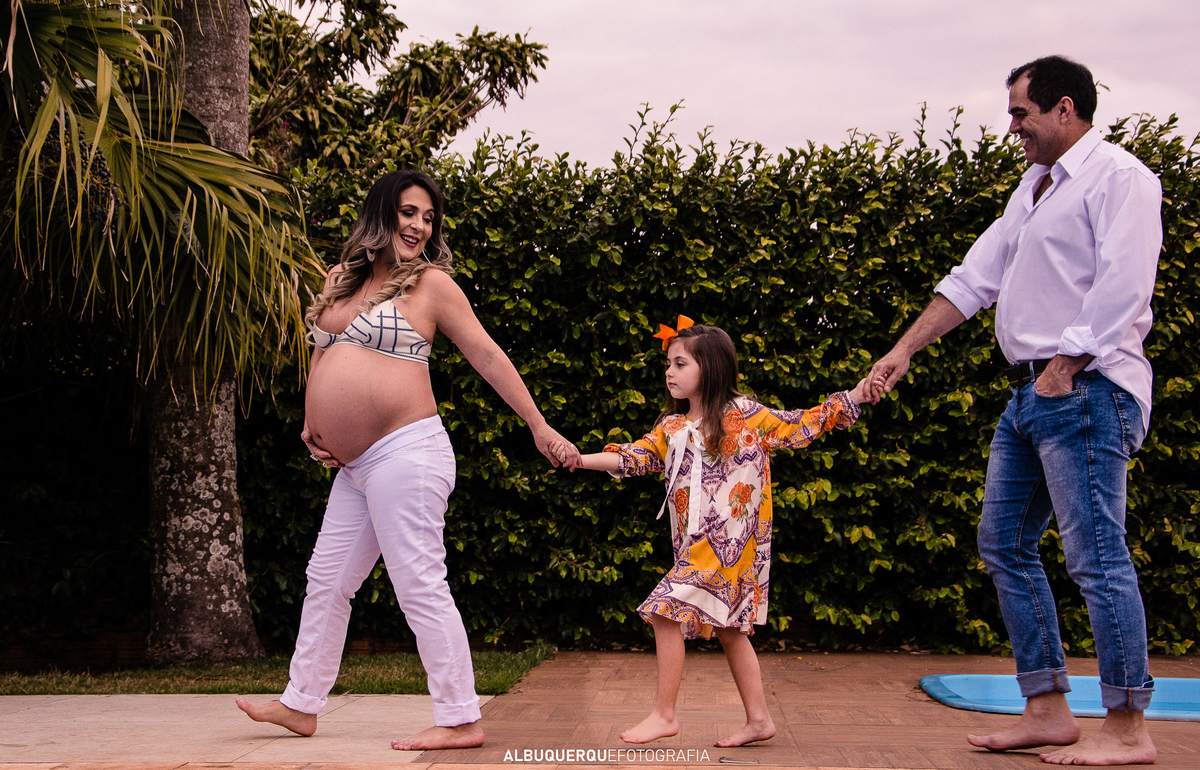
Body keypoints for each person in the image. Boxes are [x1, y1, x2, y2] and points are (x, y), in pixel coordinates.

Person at [869, 56, 1161, 766]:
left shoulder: (1120, 177)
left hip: (1086, 390)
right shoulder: (1031, 190)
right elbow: (974, 279)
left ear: (1065, 108)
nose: (1012, 128)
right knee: (1003, 543)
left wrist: (1064, 367)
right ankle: (1047, 709)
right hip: (1031, 396)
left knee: (1097, 557)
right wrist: (903, 350)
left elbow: (1125, 283)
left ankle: (1128, 728)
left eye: (1020, 114)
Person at [236, 170, 579, 751]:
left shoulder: (432, 286)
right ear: (381, 213)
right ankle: (301, 704)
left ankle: (461, 718)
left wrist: (538, 425)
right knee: (327, 581)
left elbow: (487, 355)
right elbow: (322, 356)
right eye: (408, 212)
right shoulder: (342, 281)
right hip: (354, 467)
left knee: (418, 580)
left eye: (428, 217)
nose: (419, 225)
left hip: (407, 451)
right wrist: (313, 422)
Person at [552, 319, 879, 747]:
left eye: (680, 363)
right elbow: (634, 457)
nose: (669, 372)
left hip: (729, 546)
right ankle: (759, 719)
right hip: (696, 548)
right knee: (730, 629)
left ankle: (664, 715)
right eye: (668, 364)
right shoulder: (673, 429)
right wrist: (579, 459)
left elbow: (802, 424)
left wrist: (855, 395)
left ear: (711, 367)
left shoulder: (745, 416)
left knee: (663, 612)